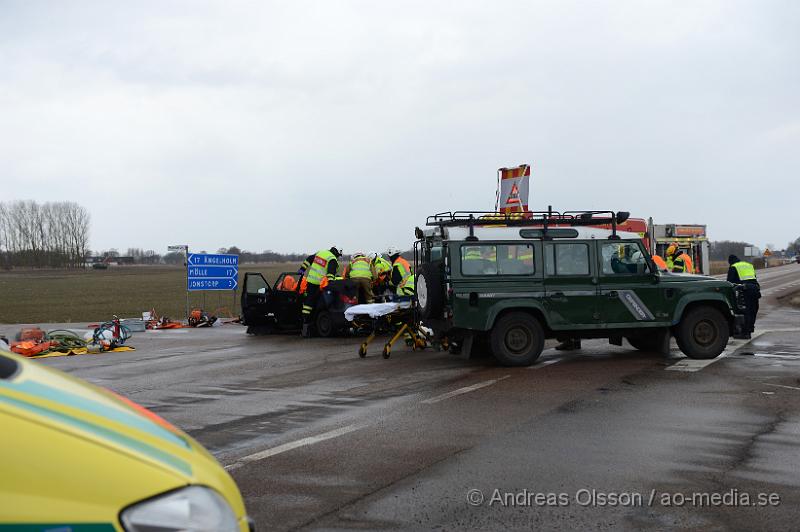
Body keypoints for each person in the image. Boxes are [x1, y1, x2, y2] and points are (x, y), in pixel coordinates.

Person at [298, 246, 341, 337]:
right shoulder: (332, 259)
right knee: (319, 303)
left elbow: (309, 259)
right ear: (337, 253)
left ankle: (305, 321)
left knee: (309, 301)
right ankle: (313, 323)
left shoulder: (321, 253)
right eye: (339, 255)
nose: (338, 257)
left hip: (310, 281)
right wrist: (331, 284)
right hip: (320, 284)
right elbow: (330, 274)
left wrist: (302, 269)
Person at [727, 254, 760, 338]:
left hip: (745, 290)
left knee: (746, 311)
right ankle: (750, 328)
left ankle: (745, 333)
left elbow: (729, 282)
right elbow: (754, 278)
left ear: (730, 261)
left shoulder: (733, 266)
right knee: (753, 309)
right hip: (755, 289)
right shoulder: (748, 265)